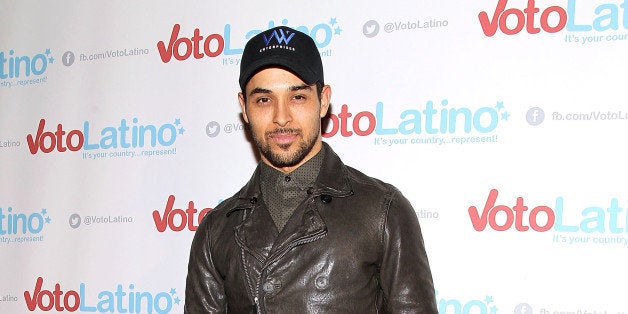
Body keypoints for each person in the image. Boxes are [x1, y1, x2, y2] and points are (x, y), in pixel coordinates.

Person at [185, 26, 438, 313]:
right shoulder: (216, 229)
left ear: (324, 100)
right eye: (264, 99)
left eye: (298, 97)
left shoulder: (382, 210)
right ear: (244, 107)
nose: (282, 117)